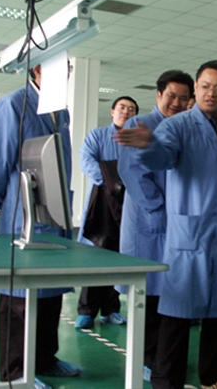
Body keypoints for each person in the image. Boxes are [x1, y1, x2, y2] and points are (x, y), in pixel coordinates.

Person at [115, 60, 217, 389]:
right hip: (189, 233)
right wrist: (148, 145)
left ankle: (214, 375)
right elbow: (163, 157)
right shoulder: (177, 126)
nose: (212, 93)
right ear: (196, 88)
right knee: (177, 313)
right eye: (206, 86)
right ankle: (167, 380)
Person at [0, 64, 84, 389]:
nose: (65, 73)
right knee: (19, 296)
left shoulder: (60, 112)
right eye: (60, 67)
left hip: (55, 216)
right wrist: (6, 203)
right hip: (22, 217)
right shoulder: (13, 105)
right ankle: (15, 372)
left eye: (68, 68)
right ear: (38, 69)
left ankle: (44, 359)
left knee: (51, 291)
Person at [117, 70, 194, 382]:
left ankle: (163, 358)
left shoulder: (183, 127)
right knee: (148, 296)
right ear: (159, 95)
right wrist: (161, 213)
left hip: (176, 224)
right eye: (171, 95)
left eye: (183, 98)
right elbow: (132, 173)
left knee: (171, 296)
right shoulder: (140, 125)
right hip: (148, 223)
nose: (176, 102)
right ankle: (148, 358)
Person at [75, 95, 139, 328]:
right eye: (122, 107)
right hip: (102, 203)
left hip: (129, 204)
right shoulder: (98, 136)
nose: (126, 112)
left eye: (131, 109)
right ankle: (87, 310)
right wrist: (114, 184)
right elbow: (86, 161)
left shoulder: (136, 140)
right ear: (113, 111)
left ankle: (111, 309)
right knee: (97, 255)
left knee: (118, 256)